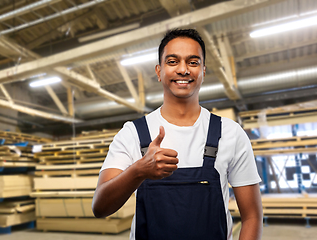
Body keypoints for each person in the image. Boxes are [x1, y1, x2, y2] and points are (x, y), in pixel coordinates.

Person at [92, 28, 263, 240]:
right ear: (158, 71)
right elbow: (100, 206)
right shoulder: (132, 134)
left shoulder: (230, 133)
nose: (183, 69)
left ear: (203, 70)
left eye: (193, 62)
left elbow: (252, 217)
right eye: (172, 61)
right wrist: (139, 171)